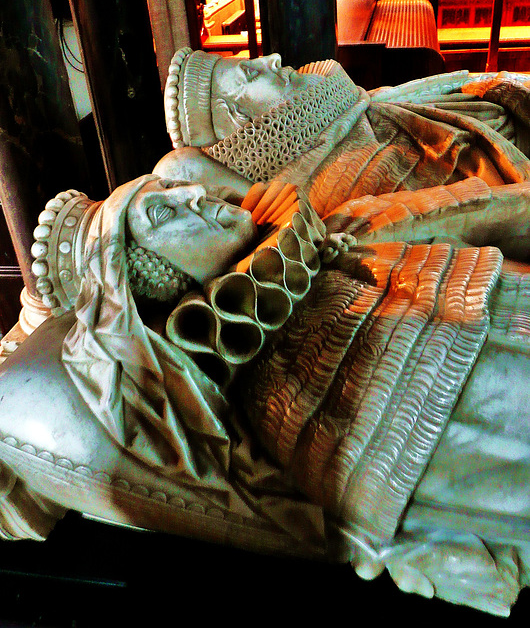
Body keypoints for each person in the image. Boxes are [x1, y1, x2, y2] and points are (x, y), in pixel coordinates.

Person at [0, 164, 525, 616]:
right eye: (163, 215)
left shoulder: (330, 227)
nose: (192, 195)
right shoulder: (293, 395)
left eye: (171, 188)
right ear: (149, 283)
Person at [160, 48, 530, 222]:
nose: (270, 58)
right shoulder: (341, 180)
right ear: (240, 121)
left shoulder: (356, 106)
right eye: (251, 74)